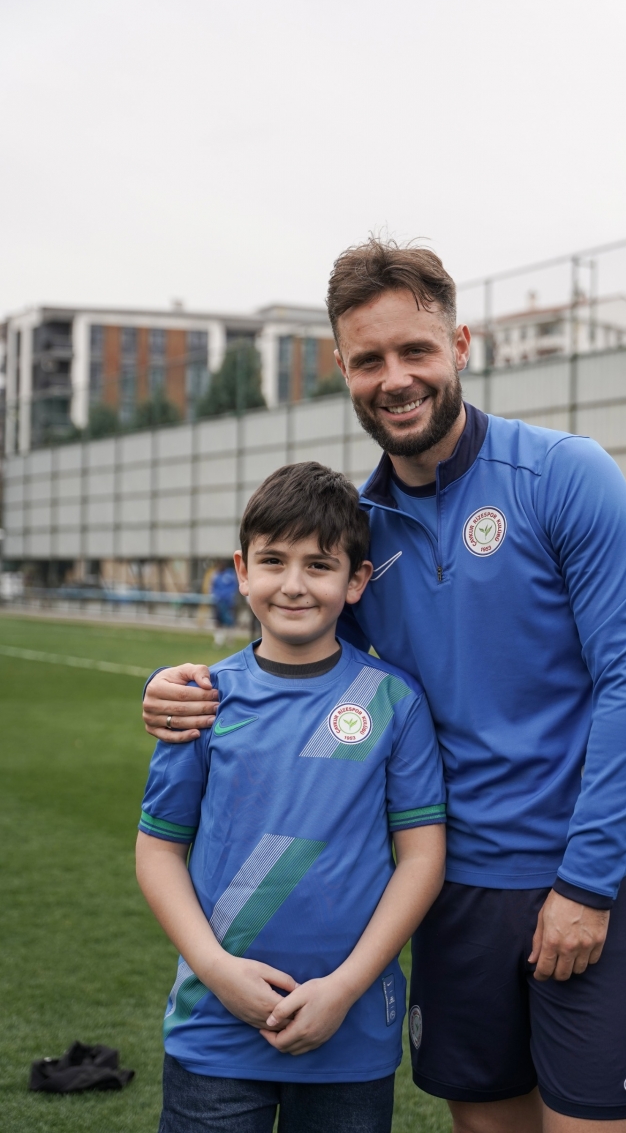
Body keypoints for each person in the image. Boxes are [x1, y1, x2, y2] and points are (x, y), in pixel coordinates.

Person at [143, 240, 626, 1133]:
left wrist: (587, 886)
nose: (395, 379)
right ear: (343, 369)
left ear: (460, 346)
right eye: (369, 360)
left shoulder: (566, 476)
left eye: (416, 350)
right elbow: (295, 662)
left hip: (592, 869)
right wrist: (182, 688)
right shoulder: (357, 533)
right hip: (453, 887)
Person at [136, 461, 446, 1133]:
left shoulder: (394, 702)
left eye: (320, 564)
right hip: (214, 1028)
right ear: (242, 571)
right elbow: (158, 851)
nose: (294, 584)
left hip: (348, 1028)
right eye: (273, 561)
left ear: (356, 580)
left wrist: (344, 987)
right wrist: (216, 970)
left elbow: (423, 859)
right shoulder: (200, 701)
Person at [209, 560, 240, 646]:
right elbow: (212, 587)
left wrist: (229, 596)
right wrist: (215, 596)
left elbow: (234, 586)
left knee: (230, 621)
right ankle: (218, 640)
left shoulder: (230, 575)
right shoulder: (215, 575)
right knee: (218, 621)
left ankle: (230, 639)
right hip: (218, 602)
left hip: (229, 602)